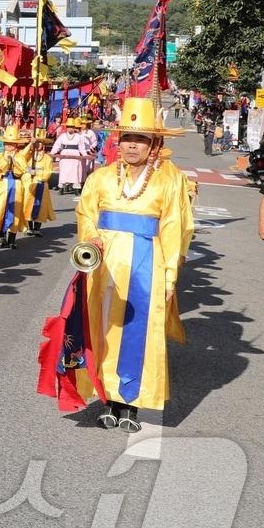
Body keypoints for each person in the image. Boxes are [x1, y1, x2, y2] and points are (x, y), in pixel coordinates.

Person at [75, 97, 191, 433]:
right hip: (105, 267)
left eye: (140, 139)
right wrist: (92, 239)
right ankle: (108, 398)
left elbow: (174, 229)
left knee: (139, 330)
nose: (132, 146)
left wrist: (170, 279)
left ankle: (131, 405)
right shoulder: (100, 177)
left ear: (154, 143)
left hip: (147, 265)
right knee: (104, 328)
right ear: (117, 141)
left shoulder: (170, 181)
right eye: (127, 137)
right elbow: (86, 214)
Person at [0, 124, 27, 250]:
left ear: (16, 145)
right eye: (6, 143)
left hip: (16, 184)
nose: (9, 146)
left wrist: (14, 162)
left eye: (11, 144)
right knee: (0, 209)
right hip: (2, 183)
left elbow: (21, 171)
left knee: (15, 210)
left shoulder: (20, 157)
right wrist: (6, 162)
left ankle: (12, 238)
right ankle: (1, 237)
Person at [18, 129, 56, 235]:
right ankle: (29, 227)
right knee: (28, 204)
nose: (38, 144)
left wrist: (39, 176)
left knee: (41, 206)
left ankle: (37, 228)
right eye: (37, 142)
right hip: (29, 183)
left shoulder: (47, 158)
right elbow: (20, 156)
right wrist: (31, 143)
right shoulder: (29, 155)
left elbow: (48, 172)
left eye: (40, 142)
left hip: (41, 183)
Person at [51, 117, 93, 194]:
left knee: (75, 172)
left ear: (74, 128)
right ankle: (61, 187)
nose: (70, 128)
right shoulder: (62, 136)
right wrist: (52, 153)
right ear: (66, 127)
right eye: (68, 127)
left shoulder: (78, 137)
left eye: (72, 127)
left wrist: (85, 155)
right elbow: (57, 145)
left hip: (75, 156)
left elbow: (81, 148)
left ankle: (76, 188)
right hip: (64, 156)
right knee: (64, 172)